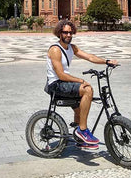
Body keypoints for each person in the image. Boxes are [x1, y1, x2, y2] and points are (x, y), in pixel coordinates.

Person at [46, 19, 118, 150]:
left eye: (70, 32)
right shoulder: (55, 50)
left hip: (64, 83)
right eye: (65, 32)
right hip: (56, 84)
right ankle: (83, 130)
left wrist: (107, 61)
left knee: (80, 106)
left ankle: (79, 137)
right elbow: (61, 75)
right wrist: (81, 81)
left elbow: (89, 57)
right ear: (59, 33)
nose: (68, 35)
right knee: (87, 90)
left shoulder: (71, 48)